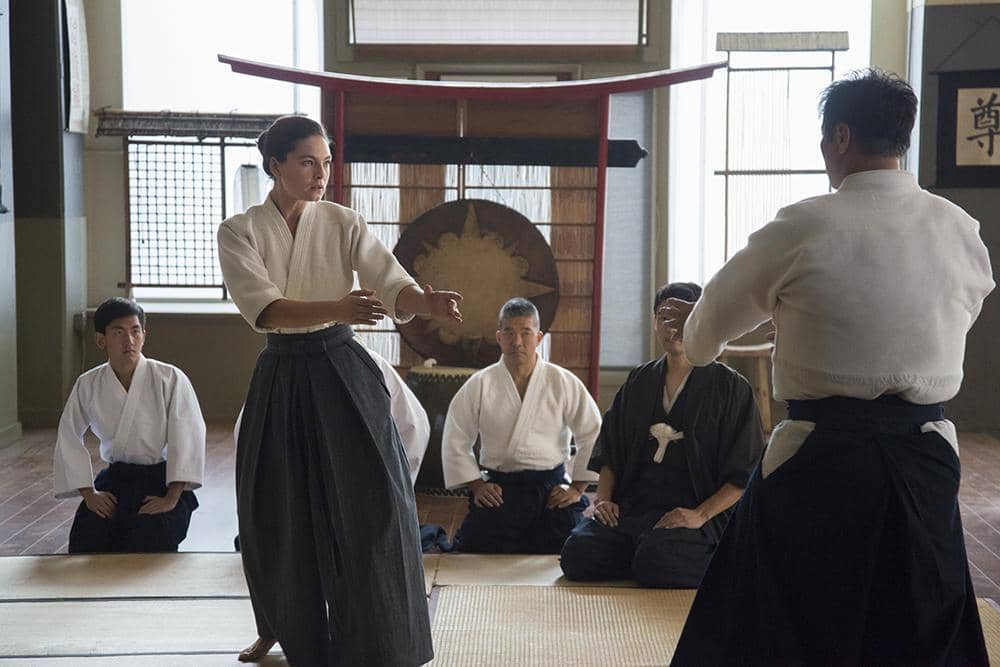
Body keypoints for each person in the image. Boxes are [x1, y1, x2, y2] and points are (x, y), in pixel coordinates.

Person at [665, 69, 994, 665]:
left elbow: (705, 336)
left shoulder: (804, 224)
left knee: (776, 623)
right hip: (926, 457)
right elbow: (952, 317)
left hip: (818, 459)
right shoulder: (959, 228)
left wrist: (724, 326)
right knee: (919, 622)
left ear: (840, 137)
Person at [218, 114, 460, 666]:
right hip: (282, 371)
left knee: (377, 502)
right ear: (275, 165)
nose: (321, 174)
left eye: (326, 162)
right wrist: (340, 306)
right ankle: (280, 627)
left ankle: (384, 635)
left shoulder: (343, 221)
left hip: (340, 367)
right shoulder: (240, 231)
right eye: (308, 162)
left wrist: (424, 302)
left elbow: (390, 280)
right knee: (277, 508)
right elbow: (265, 309)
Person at [559, 282, 764, 588]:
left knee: (656, 561)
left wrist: (699, 515)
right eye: (665, 318)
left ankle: (712, 559)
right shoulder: (639, 381)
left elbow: (744, 472)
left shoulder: (730, 387)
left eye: (684, 319)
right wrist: (604, 501)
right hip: (636, 508)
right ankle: (643, 554)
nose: (673, 328)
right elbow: (611, 451)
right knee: (577, 554)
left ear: (701, 321)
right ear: (654, 322)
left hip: (696, 512)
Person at [442, 298, 601, 554]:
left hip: (551, 490)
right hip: (500, 489)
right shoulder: (480, 384)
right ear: (499, 337)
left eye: (525, 333)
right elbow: (455, 437)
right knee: (475, 542)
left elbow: (592, 433)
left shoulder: (562, 381)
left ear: (538, 338)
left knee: (575, 546)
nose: (517, 341)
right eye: (509, 332)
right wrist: (477, 486)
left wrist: (576, 488)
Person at [54, 297, 205, 553]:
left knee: (148, 539)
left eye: (135, 331)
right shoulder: (88, 384)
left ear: (144, 336)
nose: (129, 340)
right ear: (101, 340)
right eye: (118, 332)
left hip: (160, 480)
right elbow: (68, 435)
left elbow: (188, 435)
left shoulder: (170, 378)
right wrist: (90, 494)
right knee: (86, 539)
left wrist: (171, 497)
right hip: (116, 480)